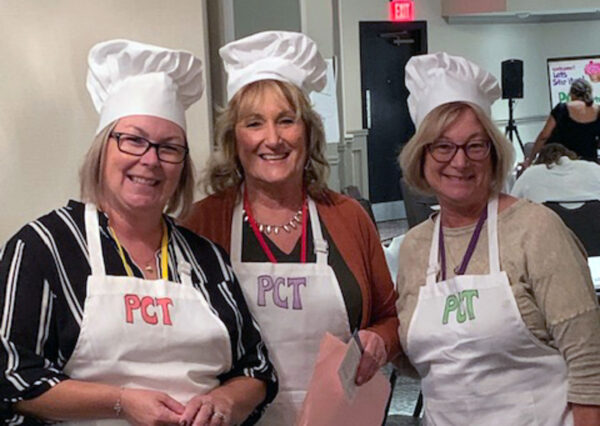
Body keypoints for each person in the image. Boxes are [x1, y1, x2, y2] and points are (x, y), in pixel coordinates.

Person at [0, 39, 277, 426]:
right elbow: (12, 378)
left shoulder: (206, 258)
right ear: (103, 150)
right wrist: (120, 402)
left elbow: (256, 368)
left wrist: (225, 402)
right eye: (133, 140)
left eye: (169, 148)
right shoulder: (43, 247)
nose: (150, 160)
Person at [183, 31, 399, 425]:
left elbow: (389, 315)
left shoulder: (348, 217)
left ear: (308, 132)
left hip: (339, 417)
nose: (273, 139)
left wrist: (379, 341)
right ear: (235, 138)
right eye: (254, 123)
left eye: (286, 120)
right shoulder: (203, 223)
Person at [396, 52, 600, 425]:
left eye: (475, 145)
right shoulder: (414, 248)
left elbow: (590, 364)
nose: (460, 162)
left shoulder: (536, 229)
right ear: (421, 156)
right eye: (443, 146)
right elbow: (423, 359)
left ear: (493, 153)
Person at [523, 78, 600, 166]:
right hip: (589, 162)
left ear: (572, 94)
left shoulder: (562, 109)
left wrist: (531, 158)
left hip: (563, 162)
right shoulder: (598, 110)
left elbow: (544, 136)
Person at [511, 143, 600, 203]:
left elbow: (512, 204)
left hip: (546, 226)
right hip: (592, 224)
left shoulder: (531, 173)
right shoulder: (593, 168)